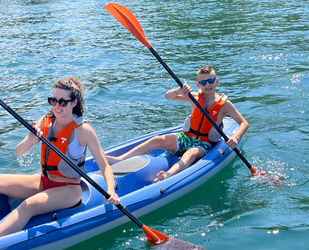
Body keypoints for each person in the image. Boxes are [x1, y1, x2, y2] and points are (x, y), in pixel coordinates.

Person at [0, 76, 120, 245]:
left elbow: (104, 165)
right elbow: (19, 151)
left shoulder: (83, 130)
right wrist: (30, 140)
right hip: (44, 181)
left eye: (62, 102)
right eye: (53, 100)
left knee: (28, 205)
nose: (56, 106)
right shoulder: (47, 120)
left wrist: (111, 191)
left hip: (69, 189)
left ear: (74, 102)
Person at [106, 66, 249, 182]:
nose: (208, 85)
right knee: (157, 139)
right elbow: (168, 96)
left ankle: (168, 175)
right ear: (198, 85)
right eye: (204, 82)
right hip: (186, 137)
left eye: (211, 80)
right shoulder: (193, 97)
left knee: (191, 153)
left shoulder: (225, 104)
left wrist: (235, 137)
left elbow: (243, 123)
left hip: (204, 144)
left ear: (216, 81)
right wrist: (178, 90)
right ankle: (119, 160)